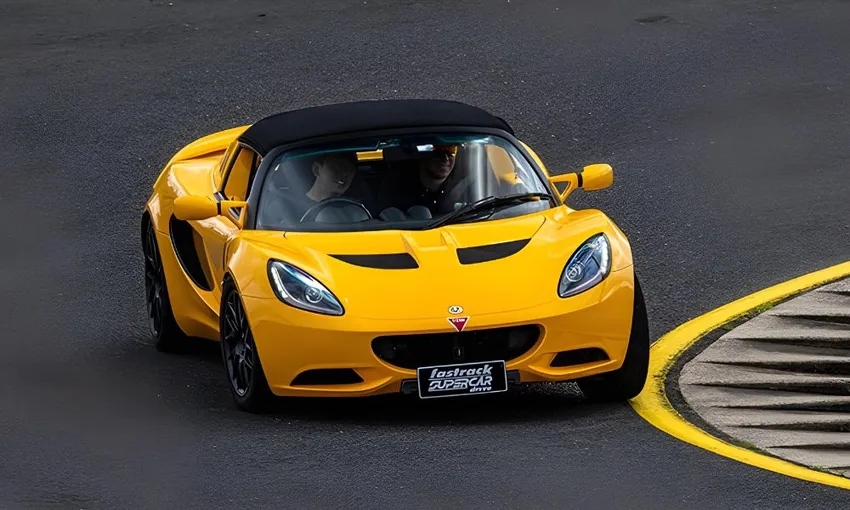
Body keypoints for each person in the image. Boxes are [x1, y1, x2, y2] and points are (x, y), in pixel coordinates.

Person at [385, 144, 462, 214]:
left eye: (451, 153)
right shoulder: (397, 192)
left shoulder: (463, 191)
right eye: (438, 153)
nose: (446, 159)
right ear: (421, 157)